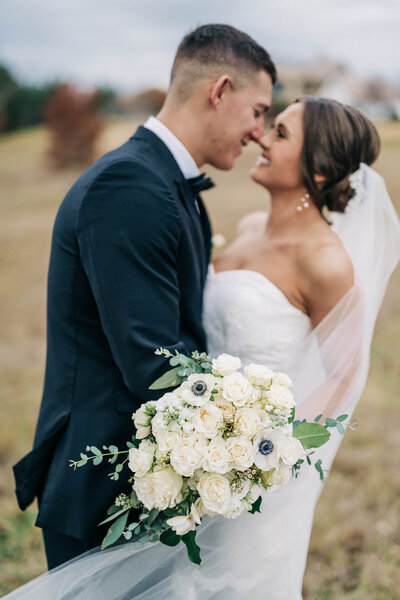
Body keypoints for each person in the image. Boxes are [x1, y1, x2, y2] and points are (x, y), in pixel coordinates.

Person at [5, 95, 400, 600]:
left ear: (319, 170)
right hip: (196, 448)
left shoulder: (325, 262)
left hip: (244, 467)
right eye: (268, 124)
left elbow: (345, 375)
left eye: (279, 134)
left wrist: (262, 452)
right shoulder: (249, 229)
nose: (260, 136)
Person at [12, 23, 276, 571]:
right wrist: (253, 428)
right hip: (103, 493)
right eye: (258, 110)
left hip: (148, 485)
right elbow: (153, 361)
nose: (259, 132)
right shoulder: (130, 184)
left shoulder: (167, 183)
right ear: (219, 90)